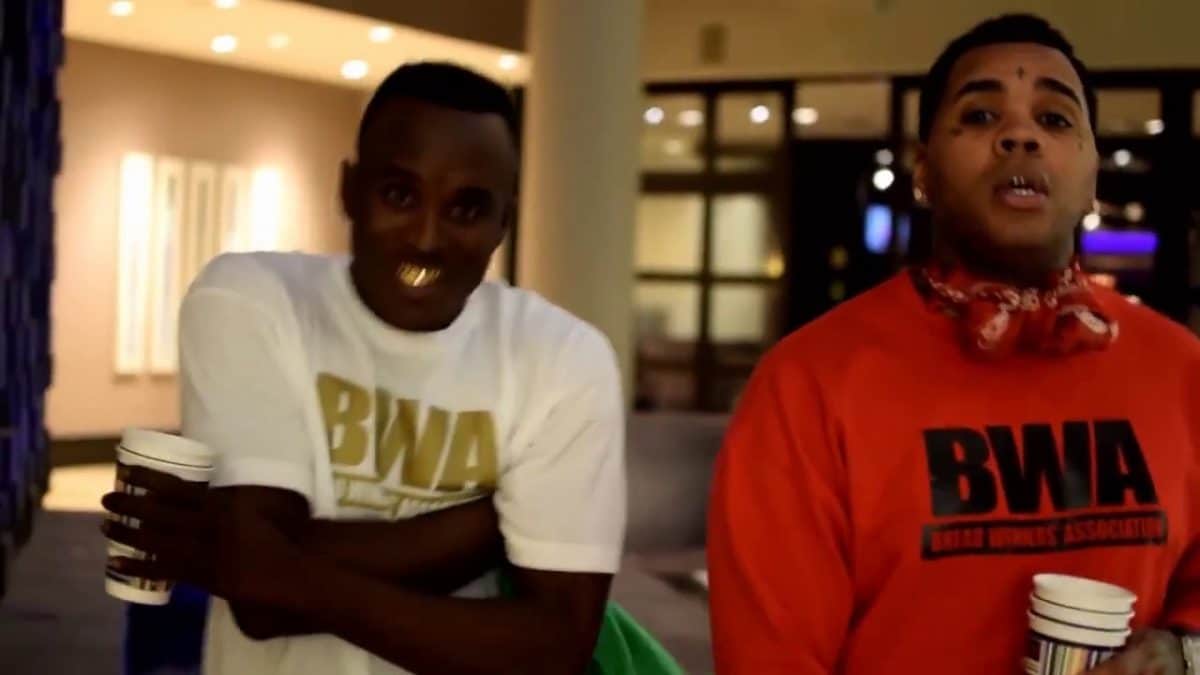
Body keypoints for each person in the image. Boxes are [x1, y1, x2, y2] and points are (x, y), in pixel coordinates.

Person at [707, 14, 1200, 675]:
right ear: (923, 172)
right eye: (981, 115)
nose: (1020, 134)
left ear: (1091, 177)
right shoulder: (808, 383)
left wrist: (1182, 647)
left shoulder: (1181, 370)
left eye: (1054, 119)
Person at [101, 62, 627, 675]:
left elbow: (555, 649)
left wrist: (278, 568)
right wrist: (491, 526)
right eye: (399, 195)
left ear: (502, 223)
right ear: (349, 190)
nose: (426, 239)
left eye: (466, 208)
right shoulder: (251, 299)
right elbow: (259, 604)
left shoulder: (564, 356)